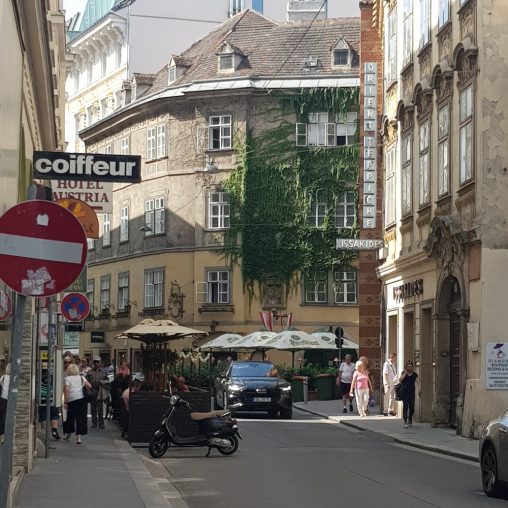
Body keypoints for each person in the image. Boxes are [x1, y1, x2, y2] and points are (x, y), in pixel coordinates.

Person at [63, 364, 91, 444]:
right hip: (81, 400)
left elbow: (67, 390)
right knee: (80, 419)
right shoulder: (81, 377)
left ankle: (68, 436)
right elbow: (90, 385)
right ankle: (79, 438)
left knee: (70, 418)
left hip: (72, 400)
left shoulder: (67, 378)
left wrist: (65, 401)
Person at [86, 356, 109, 429]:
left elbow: (107, 382)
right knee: (93, 408)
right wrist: (88, 390)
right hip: (92, 390)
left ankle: (101, 423)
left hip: (100, 391)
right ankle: (94, 423)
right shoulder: (90, 372)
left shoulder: (104, 372)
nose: (96, 363)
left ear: (100, 363)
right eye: (95, 362)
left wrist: (103, 383)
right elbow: (86, 381)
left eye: (97, 362)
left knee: (100, 408)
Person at [399, 360, 420, 428]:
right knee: (405, 407)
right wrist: (405, 373)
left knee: (412, 408)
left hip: (411, 394)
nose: (409, 368)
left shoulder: (414, 374)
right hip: (404, 393)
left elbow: (418, 382)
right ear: (406, 367)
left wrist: (419, 389)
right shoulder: (404, 373)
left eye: (411, 366)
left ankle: (410, 417)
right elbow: (400, 380)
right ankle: (405, 422)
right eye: (408, 366)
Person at [0, 364, 10, 443]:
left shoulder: (3, 378)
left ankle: (3, 436)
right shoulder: (16, 379)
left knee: (3, 417)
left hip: (3, 399)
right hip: (11, 399)